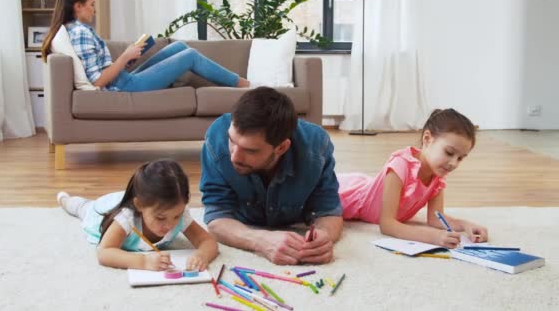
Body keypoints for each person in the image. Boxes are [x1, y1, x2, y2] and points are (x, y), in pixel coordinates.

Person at [200, 87, 343, 265]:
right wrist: (259, 240)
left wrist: (324, 237)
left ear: (281, 148)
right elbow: (216, 217)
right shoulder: (216, 138)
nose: (234, 156)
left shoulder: (316, 147)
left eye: (250, 150)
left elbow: (329, 211)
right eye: (232, 141)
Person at [41, 0, 249, 92]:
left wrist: (128, 59)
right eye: (92, 5)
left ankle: (240, 83)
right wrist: (123, 57)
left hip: (122, 79)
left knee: (179, 48)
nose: (94, 10)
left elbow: (102, 70)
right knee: (190, 56)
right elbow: (97, 82)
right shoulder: (80, 33)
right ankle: (244, 85)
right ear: (78, 6)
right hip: (123, 87)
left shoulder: (78, 30)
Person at [339, 108, 488, 248]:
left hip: (367, 185)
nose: (453, 163)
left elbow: (436, 218)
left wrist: (465, 225)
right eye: (449, 153)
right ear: (427, 139)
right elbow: (387, 224)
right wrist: (433, 237)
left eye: (461, 158)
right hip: (348, 194)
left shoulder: (438, 176)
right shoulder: (400, 165)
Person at [57, 160, 218, 271]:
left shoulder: (177, 212)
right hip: (102, 212)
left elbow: (207, 240)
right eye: (161, 218)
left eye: (177, 216)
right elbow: (104, 253)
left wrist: (202, 255)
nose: (170, 225)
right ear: (139, 205)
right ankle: (65, 199)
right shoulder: (126, 218)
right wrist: (143, 261)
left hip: (139, 200)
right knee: (82, 208)